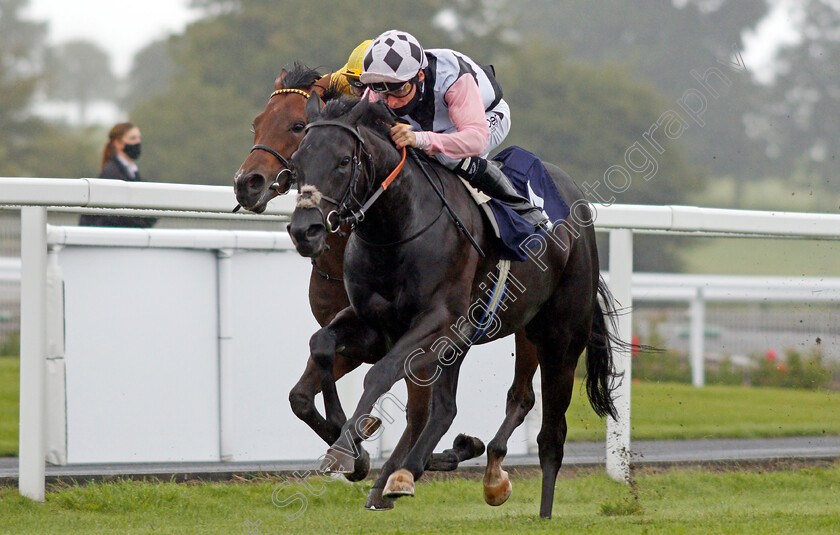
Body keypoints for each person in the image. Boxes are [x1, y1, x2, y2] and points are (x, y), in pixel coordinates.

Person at [359, 29, 549, 230]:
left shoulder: (450, 76)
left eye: (400, 90)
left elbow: (476, 140)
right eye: (384, 93)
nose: (393, 102)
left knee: (447, 157)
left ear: (420, 75)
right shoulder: (377, 90)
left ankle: (523, 208)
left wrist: (421, 139)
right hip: (435, 128)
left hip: (485, 118)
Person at [79, 122, 157, 228]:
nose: (138, 142)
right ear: (118, 143)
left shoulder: (132, 172)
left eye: (139, 138)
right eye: (133, 138)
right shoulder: (111, 173)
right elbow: (117, 216)